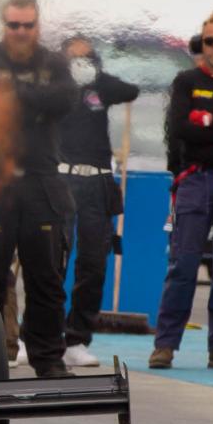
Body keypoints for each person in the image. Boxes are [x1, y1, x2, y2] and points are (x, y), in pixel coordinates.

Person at [0, 0, 77, 379]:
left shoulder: (54, 63)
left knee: (46, 277)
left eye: (27, 25)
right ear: (3, 25)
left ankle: (47, 358)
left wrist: (13, 98)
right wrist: (32, 103)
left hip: (41, 184)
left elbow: (65, 99)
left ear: (37, 26)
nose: (21, 33)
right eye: (13, 25)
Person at [149, 12, 213, 371]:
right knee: (183, 265)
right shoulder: (186, 81)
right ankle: (165, 345)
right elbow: (179, 130)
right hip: (196, 181)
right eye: (211, 41)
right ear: (200, 44)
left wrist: (208, 121)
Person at [58, 35, 139, 366]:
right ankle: (39, 333)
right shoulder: (54, 88)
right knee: (49, 260)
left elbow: (130, 91)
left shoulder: (100, 87)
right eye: (73, 56)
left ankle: (76, 338)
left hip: (97, 181)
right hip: (61, 178)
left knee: (92, 264)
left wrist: (95, 74)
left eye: (86, 55)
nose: (80, 61)